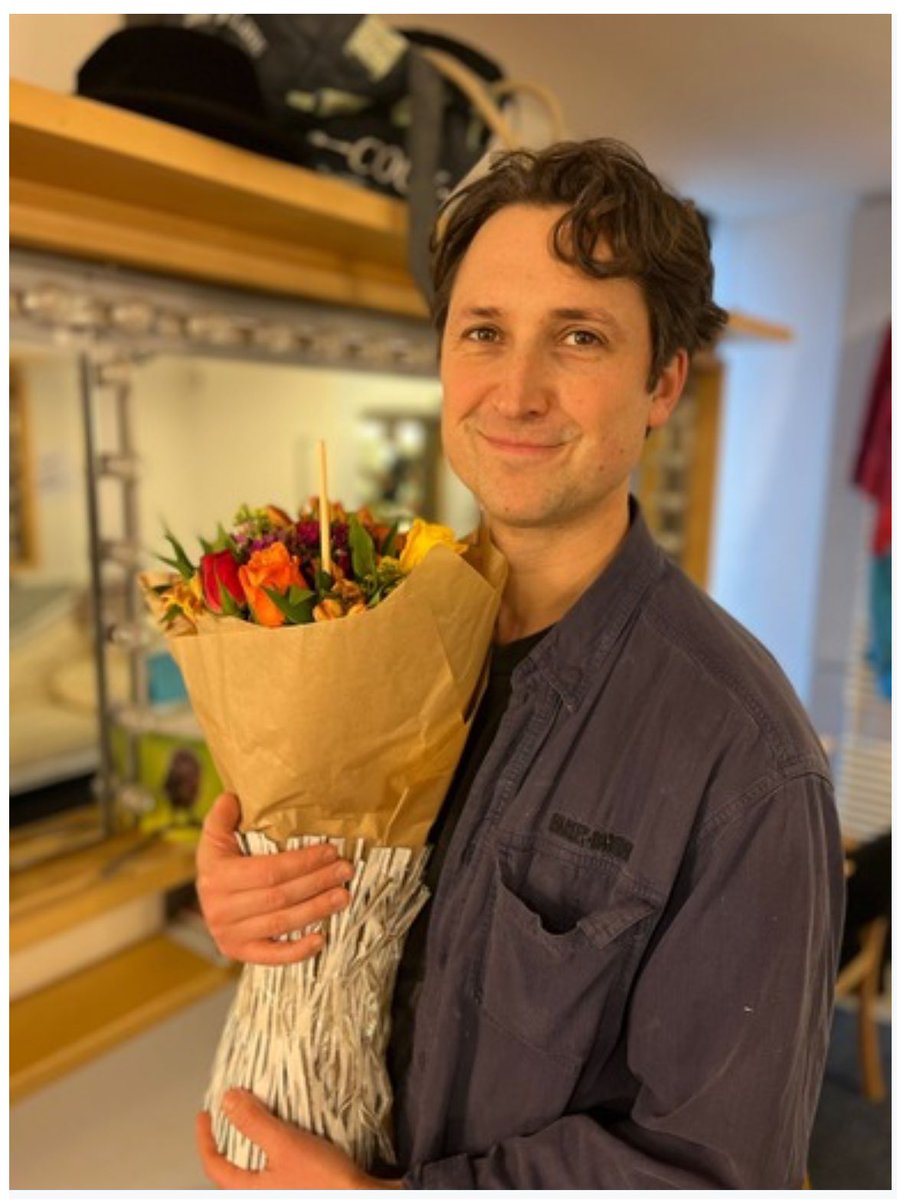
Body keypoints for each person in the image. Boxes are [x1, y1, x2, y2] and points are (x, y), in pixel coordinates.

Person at [194, 138, 845, 1189]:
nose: (517, 389)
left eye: (579, 338)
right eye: (484, 332)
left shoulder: (747, 764)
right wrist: (251, 895)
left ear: (663, 383)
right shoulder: (372, 632)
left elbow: (723, 1177)